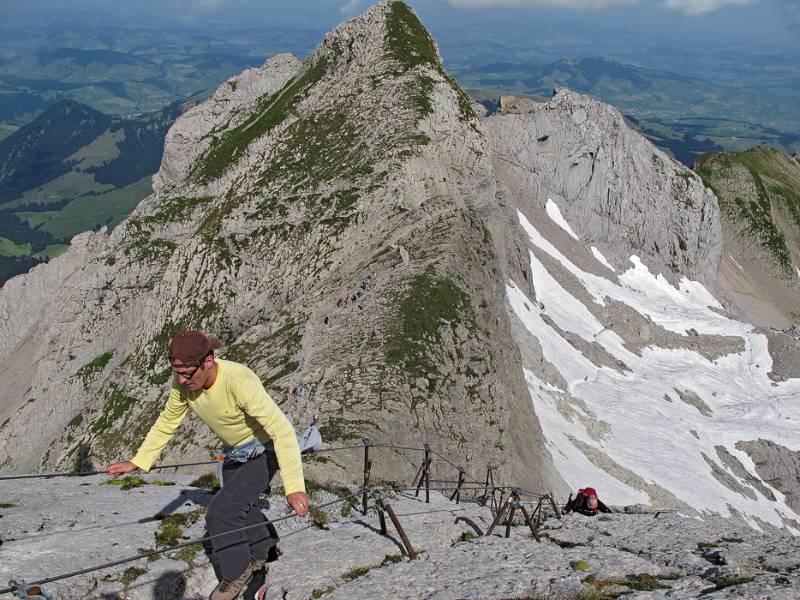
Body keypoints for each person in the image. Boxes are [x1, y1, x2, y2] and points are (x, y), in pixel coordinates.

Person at [107, 331, 309, 600]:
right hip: (235, 452)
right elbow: (168, 422)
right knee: (240, 506)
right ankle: (263, 551)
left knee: (221, 513)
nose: (181, 380)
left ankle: (236, 574)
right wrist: (139, 461)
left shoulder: (239, 381)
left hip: (264, 449)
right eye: (177, 373)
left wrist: (294, 487)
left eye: (188, 373)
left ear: (209, 362)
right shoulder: (183, 384)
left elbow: (282, 430)